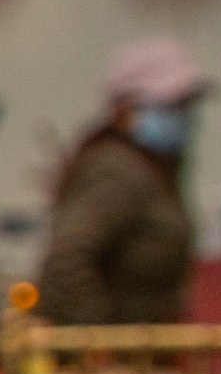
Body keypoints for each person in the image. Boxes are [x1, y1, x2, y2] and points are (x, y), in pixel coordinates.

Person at [35, 35, 204, 323]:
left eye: (186, 105)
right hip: (111, 361)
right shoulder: (115, 170)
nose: (184, 116)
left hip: (139, 355)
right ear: (124, 111)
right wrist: (102, 346)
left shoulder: (153, 169)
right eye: (171, 106)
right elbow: (67, 260)